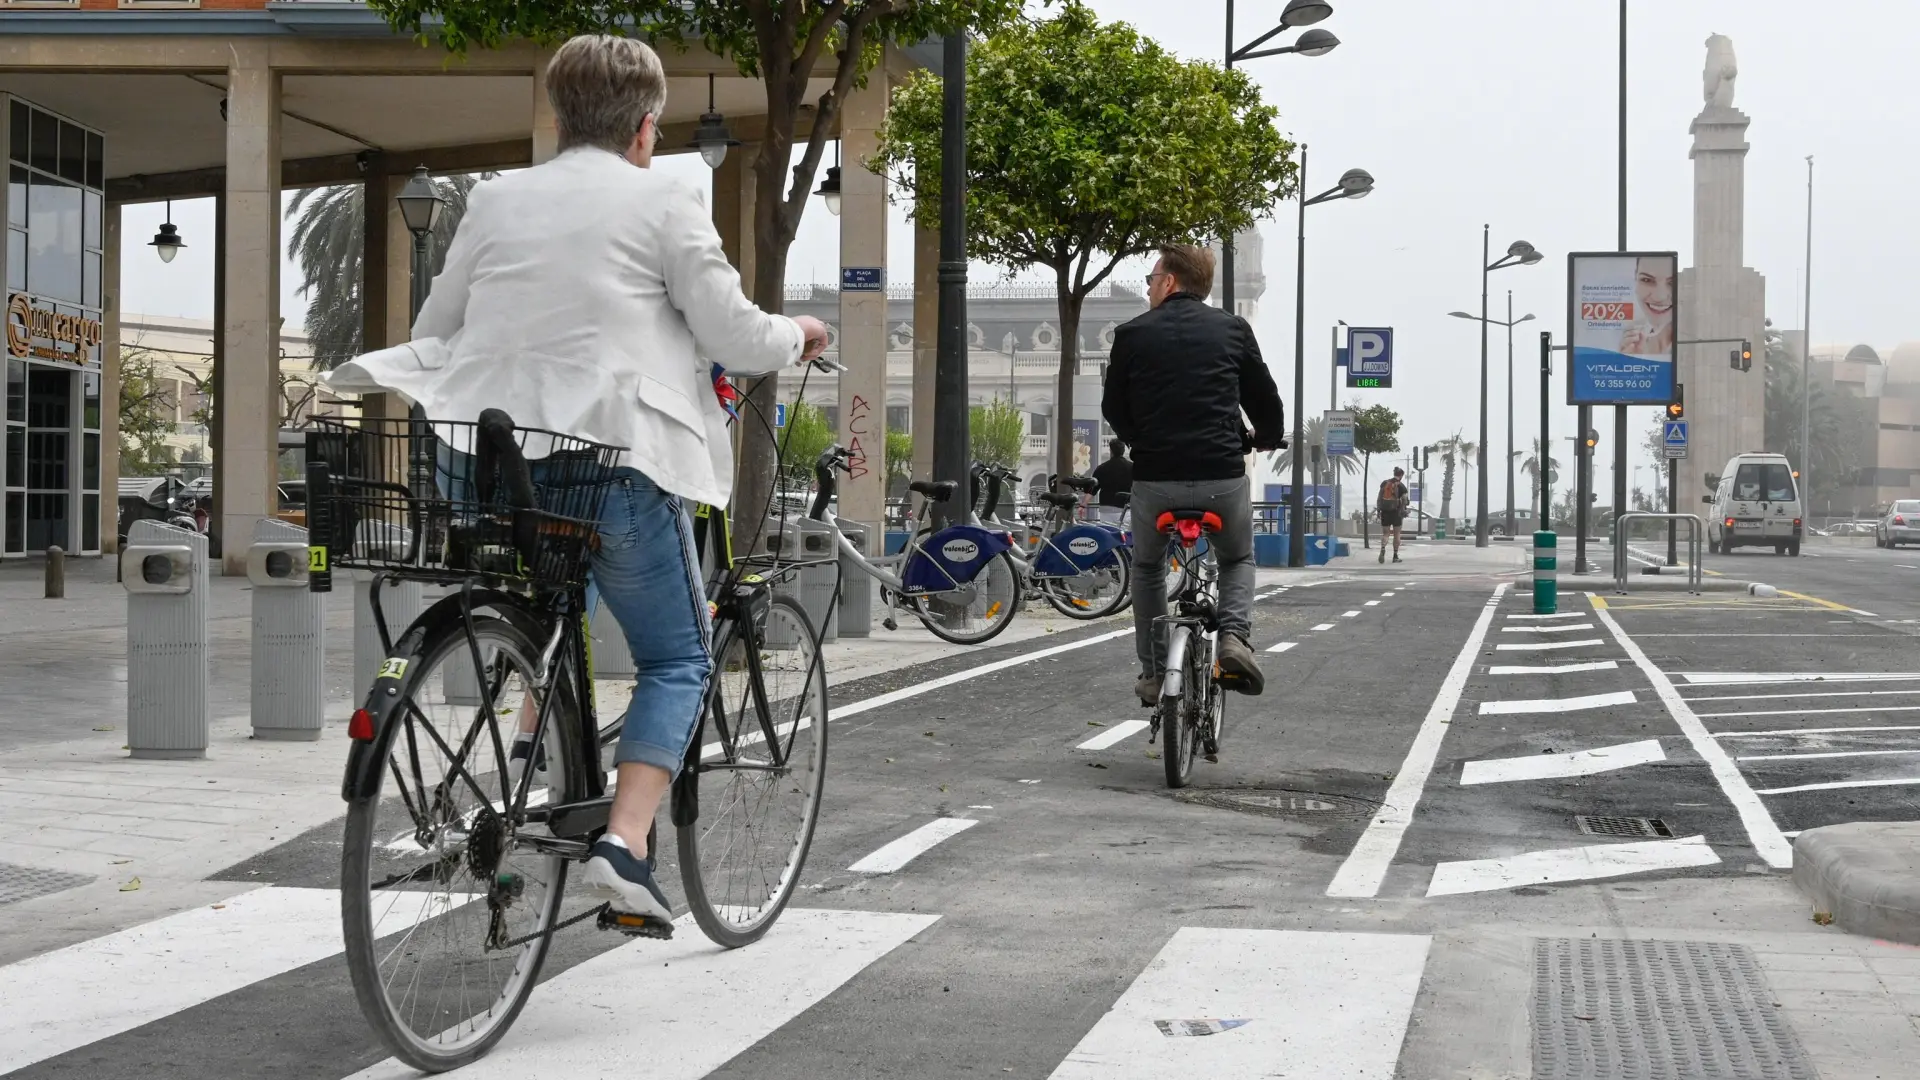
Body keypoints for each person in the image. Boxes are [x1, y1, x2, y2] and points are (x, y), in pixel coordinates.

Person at [378, 35, 830, 922]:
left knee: (556, 600)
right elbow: (734, 333)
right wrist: (799, 333)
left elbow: (437, 325)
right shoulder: (664, 198)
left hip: (483, 459)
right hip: (609, 464)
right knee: (676, 655)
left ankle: (525, 752)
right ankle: (624, 846)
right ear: (646, 128)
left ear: (556, 117)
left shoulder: (496, 199)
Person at [1102, 243, 1285, 706]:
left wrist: (1141, 439)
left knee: (1146, 568)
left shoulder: (1131, 334)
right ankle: (1233, 640)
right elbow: (1264, 399)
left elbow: (1113, 408)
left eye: (1151, 278)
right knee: (1237, 559)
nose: (1148, 287)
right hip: (1220, 474)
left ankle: (1153, 671)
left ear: (1169, 282)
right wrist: (1264, 436)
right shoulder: (1233, 330)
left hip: (1156, 477)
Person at [1090, 439, 1133, 525]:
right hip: (1125, 509)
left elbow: (1092, 489)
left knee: (1107, 534)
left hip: (1106, 509)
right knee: (1124, 536)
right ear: (1123, 451)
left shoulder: (1102, 468)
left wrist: (1082, 504)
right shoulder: (1132, 467)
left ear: (1111, 451)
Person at [1376, 467, 1411, 564]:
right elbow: (1405, 501)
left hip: (1385, 512)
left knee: (1386, 534)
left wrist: (1379, 510)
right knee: (1397, 534)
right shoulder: (1402, 486)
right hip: (1397, 513)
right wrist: (1404, 509)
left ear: (1394, 473)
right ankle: (1395, 556)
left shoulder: (1384, 484)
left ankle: (1383, 548)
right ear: (1401, 475)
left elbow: (1379, 498)